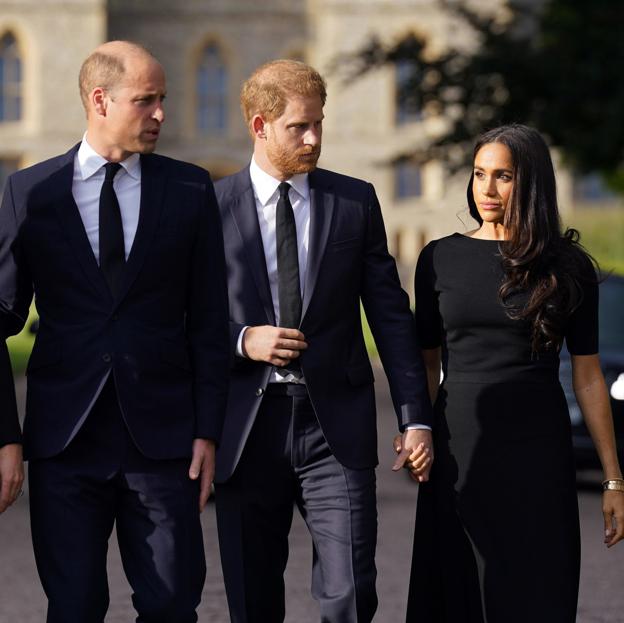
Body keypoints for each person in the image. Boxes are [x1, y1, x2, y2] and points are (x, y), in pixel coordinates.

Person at [0, 41, 229, 622]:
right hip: (63, 441)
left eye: (163, 100)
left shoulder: (190, 189)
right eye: (146, 100)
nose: (160, 114)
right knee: (73, 607)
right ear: (100, 100)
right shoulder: (30, 193)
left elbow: (208, 320)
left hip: (164, 445)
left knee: (172, 603)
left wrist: (208, 431)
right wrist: (6, 436)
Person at [213, 59, 433, 623]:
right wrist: (242, 340)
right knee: (251, 598)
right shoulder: (210, 209)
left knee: (351, 595)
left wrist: (415, 415)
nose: (313, 139)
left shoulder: (354, 202)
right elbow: (180, 319)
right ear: (260, 126)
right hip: (246, 430)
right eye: (298, 127)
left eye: (319, 124)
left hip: (334, 429)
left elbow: (390, 315)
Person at [400, 123, 624, 622]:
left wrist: (613, 479)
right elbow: (426, 359)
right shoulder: (439, 258)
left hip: (537, 455)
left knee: (534, 593)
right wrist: (414, 427)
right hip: (459, 450)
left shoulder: (567, 266)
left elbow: (587, 376)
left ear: (531, 183)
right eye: (480, 174)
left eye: (503, 176)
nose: (487, 188)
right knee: (455, 591)